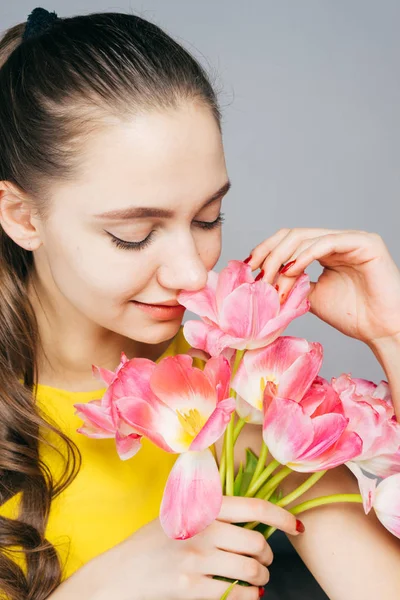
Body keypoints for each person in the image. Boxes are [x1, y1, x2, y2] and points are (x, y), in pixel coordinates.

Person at [0, 7, 399, 600]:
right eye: (133, 234)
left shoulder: (241, 400)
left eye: (208, 218)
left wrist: (390, 335)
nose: (193, 273)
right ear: (22, 216)